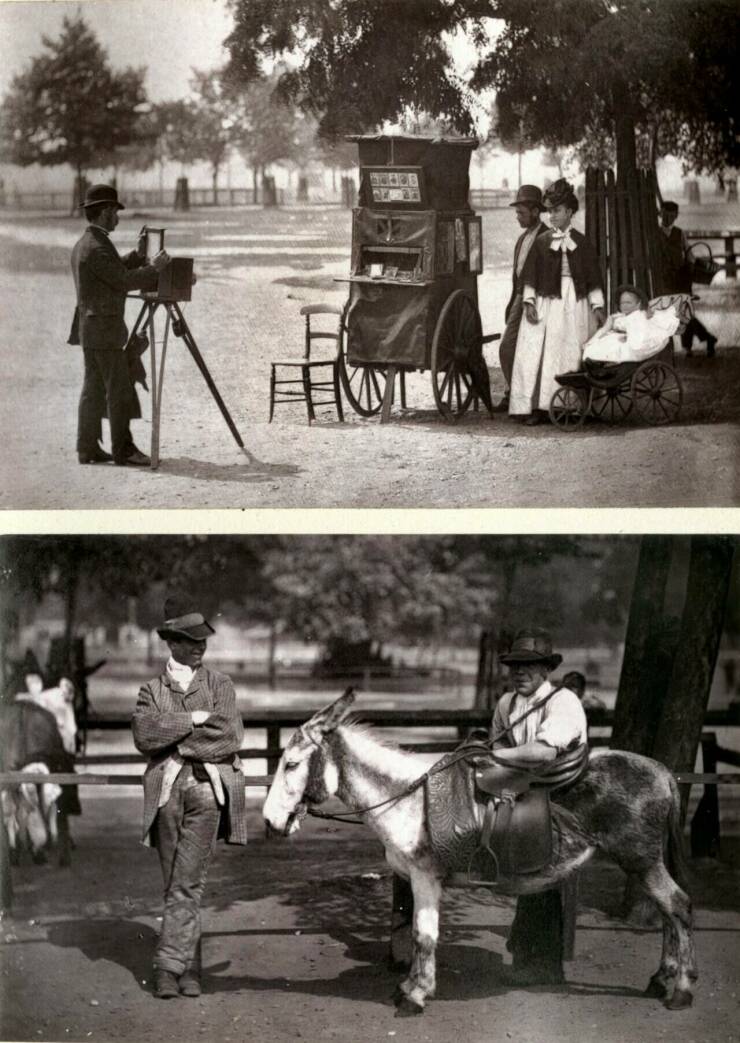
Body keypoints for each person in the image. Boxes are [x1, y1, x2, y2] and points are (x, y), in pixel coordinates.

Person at [132, 598, 247, 1000]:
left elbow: (229, 737)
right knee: (176, 883)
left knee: (187, 883)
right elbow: (144, 737)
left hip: (205, 790)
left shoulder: (219, 685)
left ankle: (167, 968)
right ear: (171, 643)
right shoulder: (150, 690)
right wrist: (192, 721)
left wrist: (178, 744)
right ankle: (189, 970)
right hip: (165, 794)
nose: (199, 647)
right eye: (188, 640)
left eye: (202, 640)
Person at [492, 628, 588, 986]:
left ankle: (545, 964)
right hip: (523, 788)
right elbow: (498, 743)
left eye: (530, 666)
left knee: (542, 865)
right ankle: (526, 955)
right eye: (515, 666)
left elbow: (544, 751)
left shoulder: (563, 702)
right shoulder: (507, 704)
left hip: (562, 792)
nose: (521, 673)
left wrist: (495, 756)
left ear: (546, 669)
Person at [68, 183, 170, 466]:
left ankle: (87, 448)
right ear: (103, 213)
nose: (117, 217)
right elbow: (123, 281)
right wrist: (154, 269)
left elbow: (113, 270)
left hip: (92, 329)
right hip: (104, 330)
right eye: (114, 212)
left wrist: (137, 256)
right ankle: (123, 449)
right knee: (119, 389)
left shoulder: (89, 243)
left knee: (93, 389)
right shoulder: (97, 247)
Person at [509, 179, 605, 424]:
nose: (552, 216)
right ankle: (537, 407)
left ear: (569, 212)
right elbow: (530, 274)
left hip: (574, 303)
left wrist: (597, 306)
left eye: (557, 211)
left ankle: (571, 405)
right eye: (549, 211)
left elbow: (593, 277)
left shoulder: (582, 243)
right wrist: (529, 302)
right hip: (546, 300)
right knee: (536, 350)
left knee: (568, 350)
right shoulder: (542, 242)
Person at [495, 185, 549, 411]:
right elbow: (516, 275)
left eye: (522, 213)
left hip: (534, 300)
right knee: (509, 348)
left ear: (536, 212)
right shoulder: (522, 239)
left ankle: (525, 400)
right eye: (517, 213)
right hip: (519, 297)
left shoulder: (546, 238)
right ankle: (512, 393)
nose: (518, 217)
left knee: (517, 349)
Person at [658, 201, 717, 356]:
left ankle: (688, 347)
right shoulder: (655, 233)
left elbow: (689, 255)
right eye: (664, 214)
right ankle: (707, 339)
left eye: (671, 215)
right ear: (660, 214)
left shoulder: (679, 233)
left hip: (681, 278)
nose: (667, 218)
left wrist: (691, 266)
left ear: (676, 216)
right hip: (665, 279)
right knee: (673, 313)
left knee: (685, 312)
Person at [582, 284, 679, 365]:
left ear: (638, 304)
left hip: (636, 347)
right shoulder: (628, 316)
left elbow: (638, 335)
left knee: (600, 346)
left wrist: (621, 333)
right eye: (622, 303)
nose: (624, 305)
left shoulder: (637, 316)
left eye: (628, 302)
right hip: (634, 341)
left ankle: (601, 362)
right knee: (605, 342)